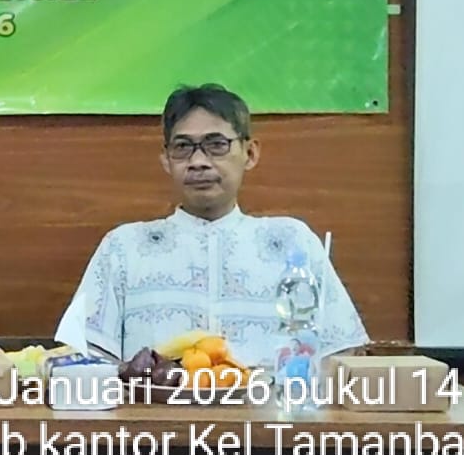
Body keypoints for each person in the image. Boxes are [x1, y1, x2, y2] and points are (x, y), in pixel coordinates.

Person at [55, 84, 368, 367]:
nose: (198, 162)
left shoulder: (292, 242)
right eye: (183, 147)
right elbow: (85, 357)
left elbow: (341, 354)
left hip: (268, 410)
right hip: (154, 412)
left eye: (216, 144)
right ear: (166, 160)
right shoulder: (125, 247)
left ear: (250, 153)